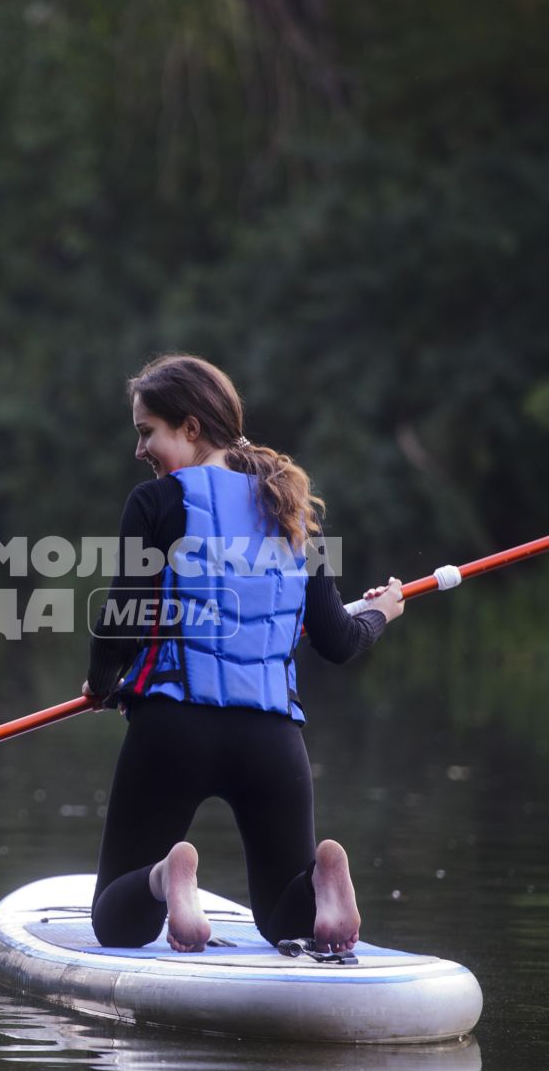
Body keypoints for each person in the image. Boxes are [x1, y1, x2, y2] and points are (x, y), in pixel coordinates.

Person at [80, 354, 404, 954]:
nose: (140, 449)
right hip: (273, 744)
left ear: (191, 427)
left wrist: (101, 684)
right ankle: (321, 883)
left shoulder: (154, 503)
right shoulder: (295, 511)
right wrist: (383, 610)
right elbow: (337, 641)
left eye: (146, 431)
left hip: (173, 730)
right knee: (288, 921)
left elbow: (120, 620)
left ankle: (165, 875)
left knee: (116, 924)